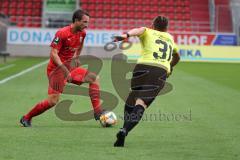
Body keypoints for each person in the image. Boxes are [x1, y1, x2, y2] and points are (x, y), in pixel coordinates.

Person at [20, 9, 104, 127]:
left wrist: (77, 58)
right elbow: (53, 54)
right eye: (84, 22)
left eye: (88, 22)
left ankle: (98, 112)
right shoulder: (62, 33)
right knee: (53, 101)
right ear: (76, 21)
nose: (86, 25)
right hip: (56, 71)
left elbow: (80, 44)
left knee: (94, 78)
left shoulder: (82, 33)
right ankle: (26, 117)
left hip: (69, 67)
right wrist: (65, 71)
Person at [112, 16, 180, 147]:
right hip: (159, 72)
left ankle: (124, 128)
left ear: (152, 25)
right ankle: (125, 130)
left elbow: (137, 30)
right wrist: (170, 66)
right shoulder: (170, 38)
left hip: (141, 67)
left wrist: (125, 35)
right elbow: (177, 56)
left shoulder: (147, 31)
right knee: (141, 104)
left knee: (132, 99)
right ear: (166, 28)